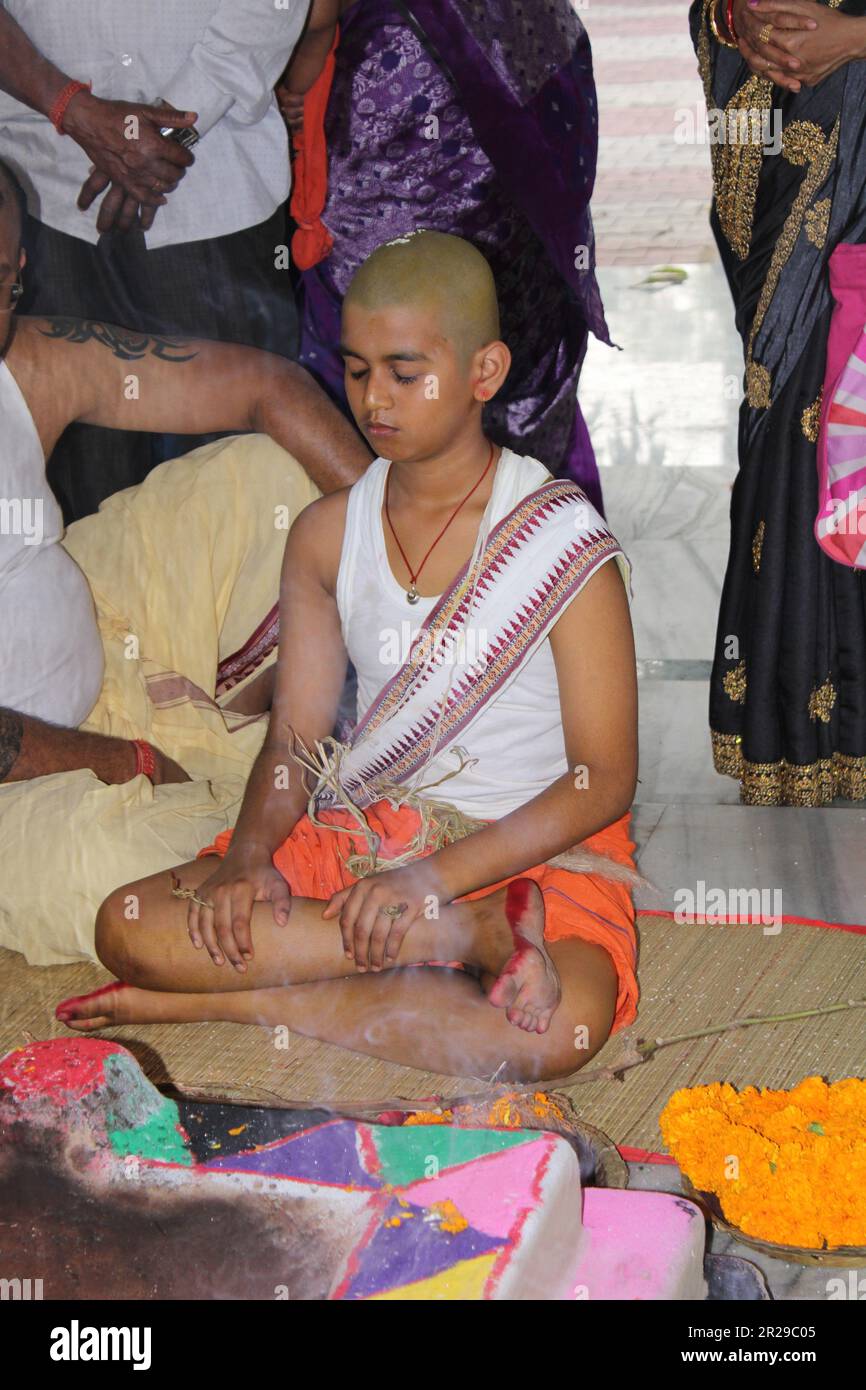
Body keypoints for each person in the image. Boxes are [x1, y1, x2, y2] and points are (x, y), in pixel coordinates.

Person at [59, 231, 639, 1085]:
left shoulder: (560, 540)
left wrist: (434, 878)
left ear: (486, 372)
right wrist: (251, 856)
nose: (375, 399)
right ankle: (461, 943)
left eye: (406, 373)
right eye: (358, 369)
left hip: (526, 853)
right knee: (131, 924)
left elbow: (604, 781)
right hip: (369, 834)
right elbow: (295, 737)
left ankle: (237, 998)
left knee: (561, 1034)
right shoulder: (329, 534)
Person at [0, 157, 371, 964]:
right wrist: (129, 762)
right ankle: (335, 880)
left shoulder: (29, 361)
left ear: (19, 268)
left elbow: (268, 388)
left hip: (103, 615)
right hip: (24, 785)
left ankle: (274, 785)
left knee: (277, 480)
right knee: (119, 880)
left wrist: (437, 582)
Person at [276, 0, 611, 514]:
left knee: (405, 321)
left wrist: (294, 80)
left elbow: (317, 18)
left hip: (405, 85)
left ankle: (422, 541)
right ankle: (520, 543)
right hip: (511, 55)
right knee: (468, 326)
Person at [0, 0, 311, 520]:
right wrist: (72, 110)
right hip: (43, 185)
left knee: (239, 491)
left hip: (214, 183)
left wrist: (166, 137)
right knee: (80, 505)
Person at [694, 0, 866, 804]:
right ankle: (803, 729)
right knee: (798, 397)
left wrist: (857, 39)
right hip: (781, 130)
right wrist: (738, 27)